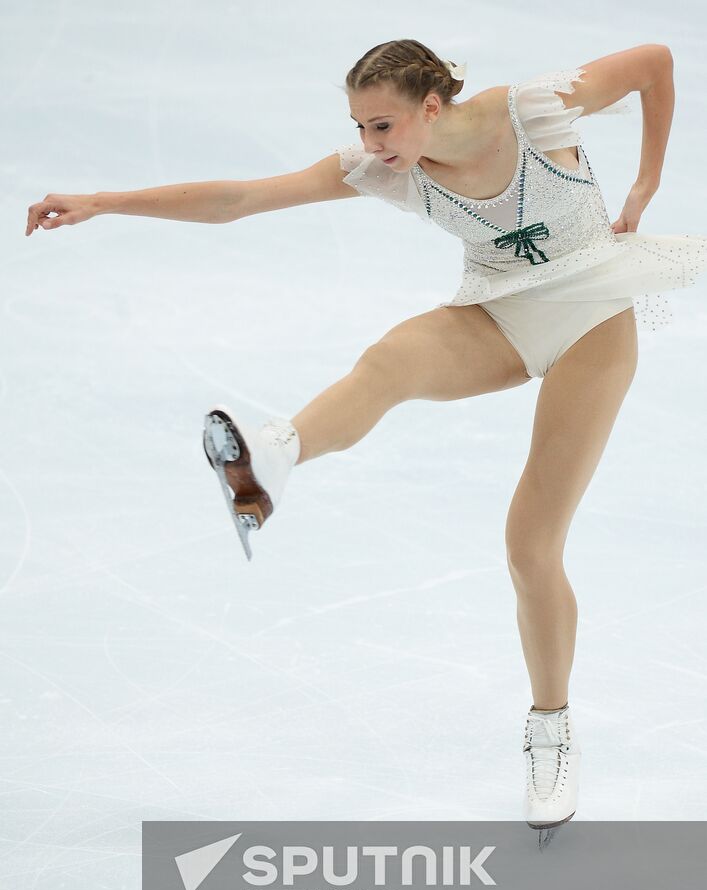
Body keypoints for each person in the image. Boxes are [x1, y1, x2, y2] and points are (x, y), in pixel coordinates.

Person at [25, 39, 707, 839]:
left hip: (594, 308)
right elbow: (238, 198)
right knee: (388, 360)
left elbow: (656, 61)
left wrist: (648, 176)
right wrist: (103, 200)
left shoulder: (533, 109)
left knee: (529, 546)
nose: (369, 143)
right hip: (500, 311)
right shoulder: (382, 170)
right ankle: (271, 457)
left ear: (431, 107)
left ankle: (550, 728)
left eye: (381, 125)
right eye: (359, 126)